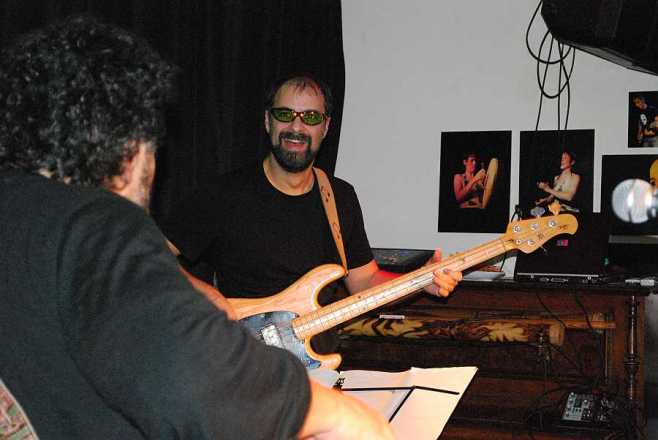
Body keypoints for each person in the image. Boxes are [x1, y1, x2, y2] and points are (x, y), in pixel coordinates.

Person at [0, 16, 394, 440]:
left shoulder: (17, 214)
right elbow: (203, 383)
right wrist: (344, 416)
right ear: (132, 148)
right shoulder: (101, 228)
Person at [162, 74, 461, 338]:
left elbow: (364, 281)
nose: (297, 126)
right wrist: (207, 297)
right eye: (285, 114)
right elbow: (151, 253)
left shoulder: (340, 197)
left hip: (319, 365)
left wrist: (421, 281)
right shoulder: (224, 194)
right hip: (246, 363)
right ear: (267, 121)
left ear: (326, 127)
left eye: (311, 117)